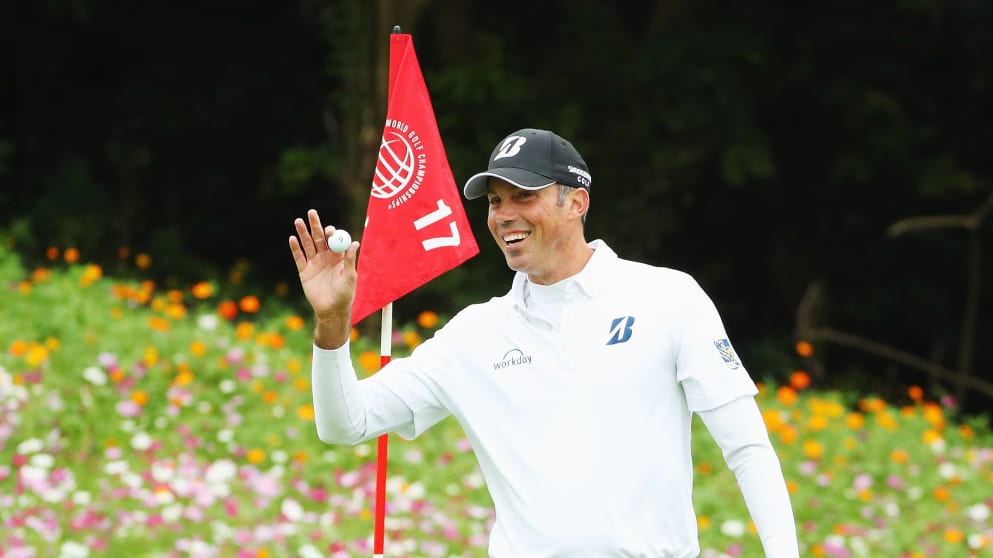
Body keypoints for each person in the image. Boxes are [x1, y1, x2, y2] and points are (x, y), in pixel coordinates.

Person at [288, 128, 800, 557]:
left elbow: (747, 449)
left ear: (577, 202)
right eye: (494, 201)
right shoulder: (474, 334)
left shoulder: (668, 297)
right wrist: (332, 325)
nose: (503, 214)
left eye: (523, 196)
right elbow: (344, 424)